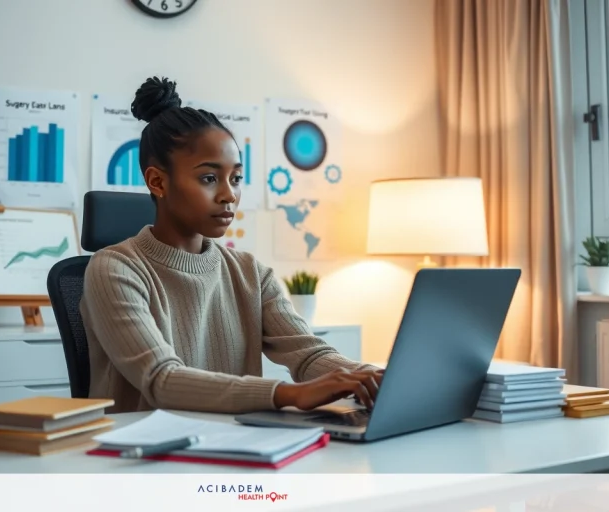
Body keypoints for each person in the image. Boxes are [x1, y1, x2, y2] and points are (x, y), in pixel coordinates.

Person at [80, 76, 384, 415]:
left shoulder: (250, 272)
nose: (229, 195)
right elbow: (161, 380)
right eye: (209, 178)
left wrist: (366, 376)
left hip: (232, 446)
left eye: (236, 178)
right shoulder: (113, 269)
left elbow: (308, 353)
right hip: (141, 455)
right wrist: (289, 394)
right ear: (157, 181)